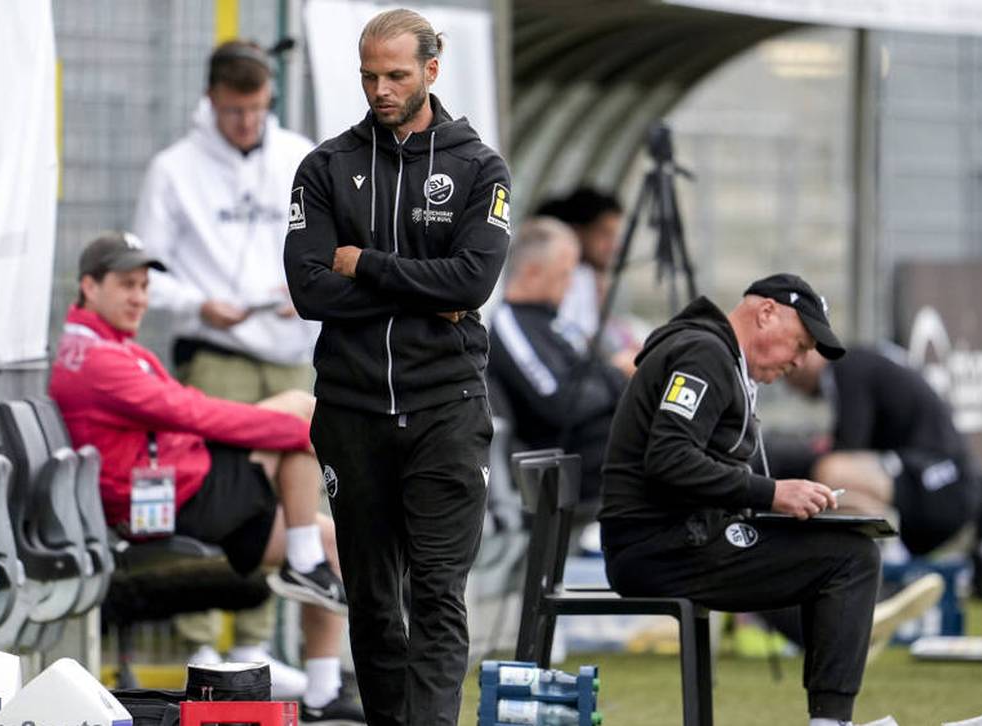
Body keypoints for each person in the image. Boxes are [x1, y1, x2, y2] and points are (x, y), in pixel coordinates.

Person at [282, 9, 510, 725]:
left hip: (446, 408)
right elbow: (311, 289)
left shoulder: (479, 167)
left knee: (438, 592)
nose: (380, 89)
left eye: (396, 76)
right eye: (369, 76)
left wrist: (370, 265)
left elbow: (471, 285)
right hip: (352, 413)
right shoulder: (325, 167)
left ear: (431, 71)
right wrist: (422, 286)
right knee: (375, 603)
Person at [50, 233, 363, 724]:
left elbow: (181, 415)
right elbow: (191, 412)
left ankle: (323, 693)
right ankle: (302, 560)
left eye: (144, 286)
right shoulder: (98, 359)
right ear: (89, 286)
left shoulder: (108, 346)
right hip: (170, 503)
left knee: (333, 542)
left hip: (187, 484)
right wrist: (300, 434)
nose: (139, 298)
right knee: (300, 421)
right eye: (126, 285)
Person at [599, 273, 929, 726]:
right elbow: (669, 458)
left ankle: (843, 663)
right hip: (660, 548)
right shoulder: (704, 355)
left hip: (676, 537)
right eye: (800, 344)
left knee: (840, 547)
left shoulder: (717, 355)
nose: (800, 361)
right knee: (852, 557)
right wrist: (773, 493)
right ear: (766, 313)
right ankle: (832, 717)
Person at [132, 39, 319, 676]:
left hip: (289, 350)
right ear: (211, 100)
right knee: (209, 491)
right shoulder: (174, 169)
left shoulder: (298, 156)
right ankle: (199, 642)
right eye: (236, 110)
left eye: (258, 109)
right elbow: (146, 274)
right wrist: (200, 302)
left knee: (292, 496)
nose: (247, 123)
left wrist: (308, 291)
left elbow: (331, 248)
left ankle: (257, 642)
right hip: (218, 351)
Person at [782, 345, 981, 556]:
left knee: (832, 472)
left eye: (787, 369)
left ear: (811, 350)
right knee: (832, 483)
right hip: (934, 482)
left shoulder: (848, 366)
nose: (787, 379)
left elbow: (848, 448)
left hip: (944, 484)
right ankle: (884, 549)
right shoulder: (857, 366)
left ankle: (886, 550)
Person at [486, 217, 631, 506]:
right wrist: (617, 373)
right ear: (532, 273)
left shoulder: (557, 324)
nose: (569, 286)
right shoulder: (510, 323)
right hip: (561, 462)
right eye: (563, 275)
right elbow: (561, 402)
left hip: (599, 447)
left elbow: (591, 375)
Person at [535, 187, 628, 346]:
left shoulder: (586, 276)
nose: (614, 246)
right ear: (577, 231)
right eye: (605, 234)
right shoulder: (553, 277)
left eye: (615, 236)